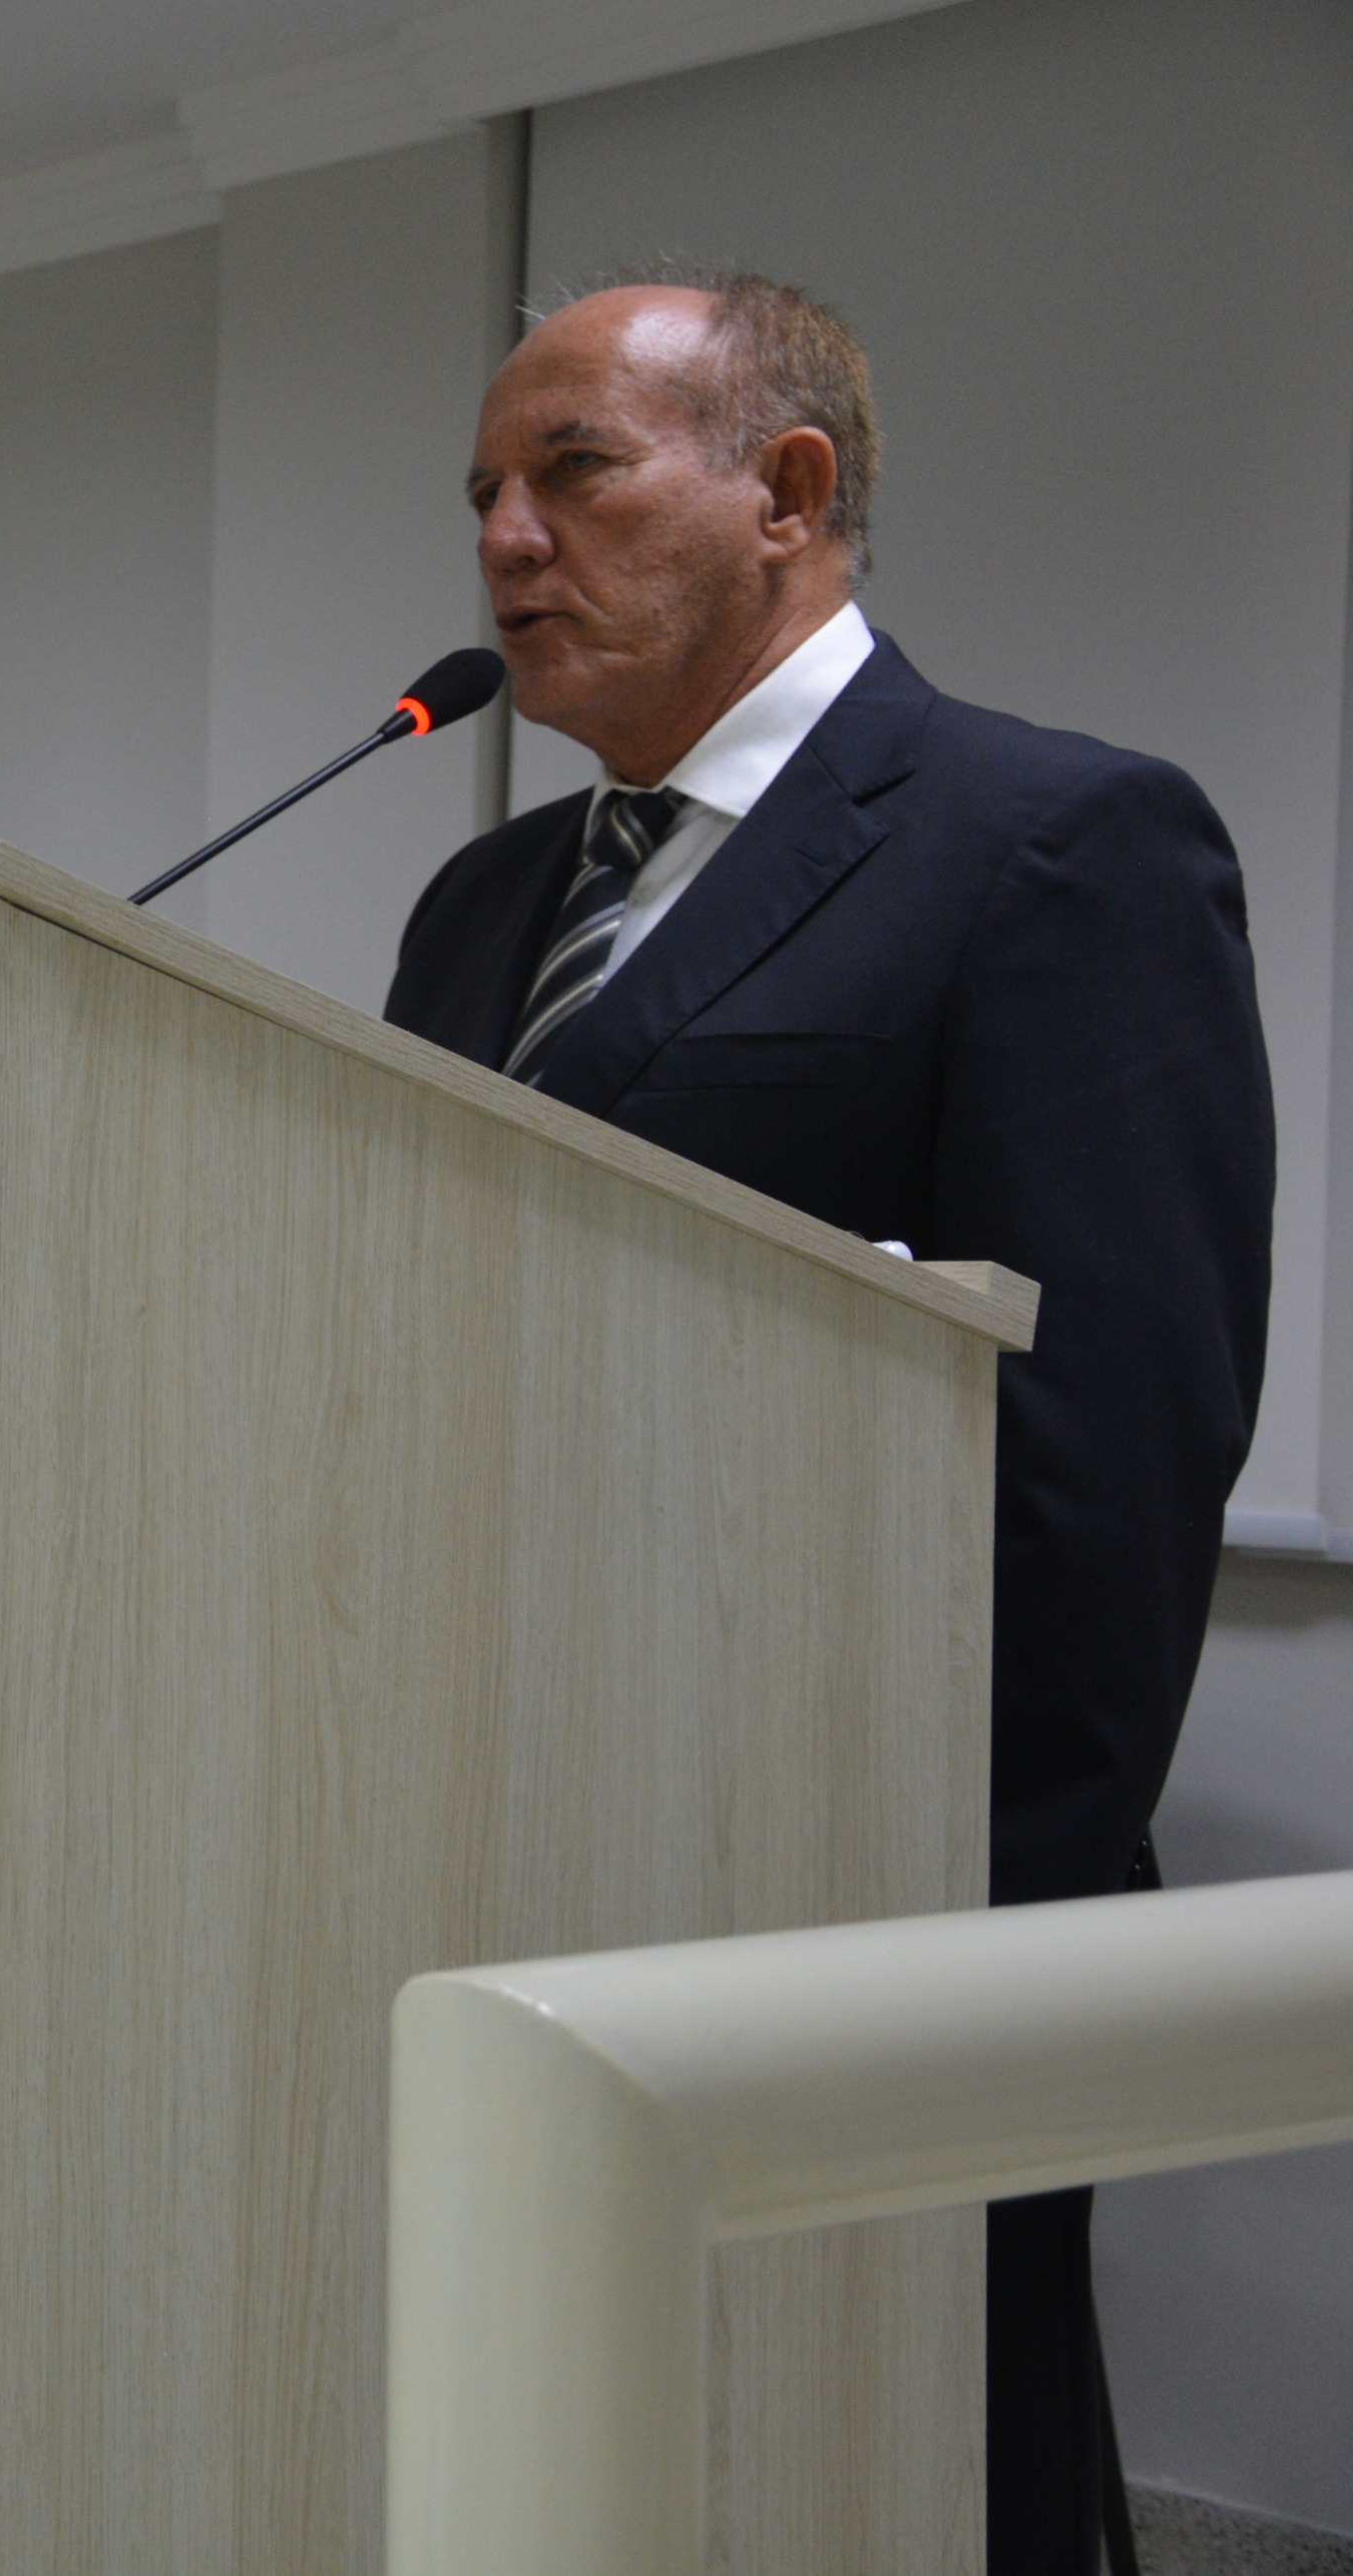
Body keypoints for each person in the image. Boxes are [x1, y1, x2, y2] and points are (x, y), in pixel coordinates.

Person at [384, 267, 1270, 2576]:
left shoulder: (1052, 841)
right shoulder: (479, 907)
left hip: (869, 1900)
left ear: (787, 492)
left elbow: (1108, 1470)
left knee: (906, 2465)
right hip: (490, 1841)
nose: (502, 539)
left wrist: (964, 1926)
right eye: (479, 492)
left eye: (571, 470)